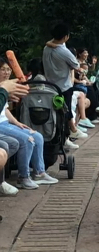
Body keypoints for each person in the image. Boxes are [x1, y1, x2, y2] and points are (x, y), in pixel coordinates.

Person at [0, 56, 59, 189]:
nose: (7, 72)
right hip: (1, 126)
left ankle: (39, 172)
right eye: (3, 69)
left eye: (8, 69)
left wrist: (17, 123)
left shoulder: (6, 87)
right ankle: (23, 177)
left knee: (37, 136)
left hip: (5, 123)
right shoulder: (3, 89)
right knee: (28, 139)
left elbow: (5, 110)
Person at [42, 24, 88, 141]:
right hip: (64, 87)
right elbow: (76, 65)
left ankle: (65, 137)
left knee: (56, 113)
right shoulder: (64, 52)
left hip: (50, 86)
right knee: (65, 112)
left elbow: (50, 43)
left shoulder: (46, 48)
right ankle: (71, 132)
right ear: (66, 37)